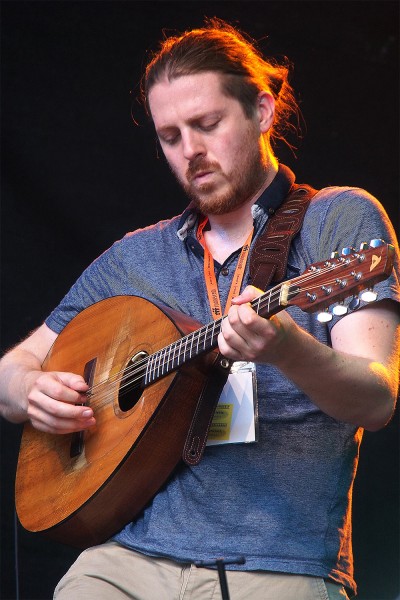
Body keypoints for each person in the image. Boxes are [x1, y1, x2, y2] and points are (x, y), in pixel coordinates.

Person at [1, 18, 399, 600]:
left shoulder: (339, 222)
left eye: (207, 124)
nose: (191, 151)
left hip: (278, 564)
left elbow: (377, 399)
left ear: (261, 112)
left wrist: (291, 350)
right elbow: (11, 372)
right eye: (169, 136)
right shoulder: (137, 256)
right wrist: (30, 389)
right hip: (128, 558)